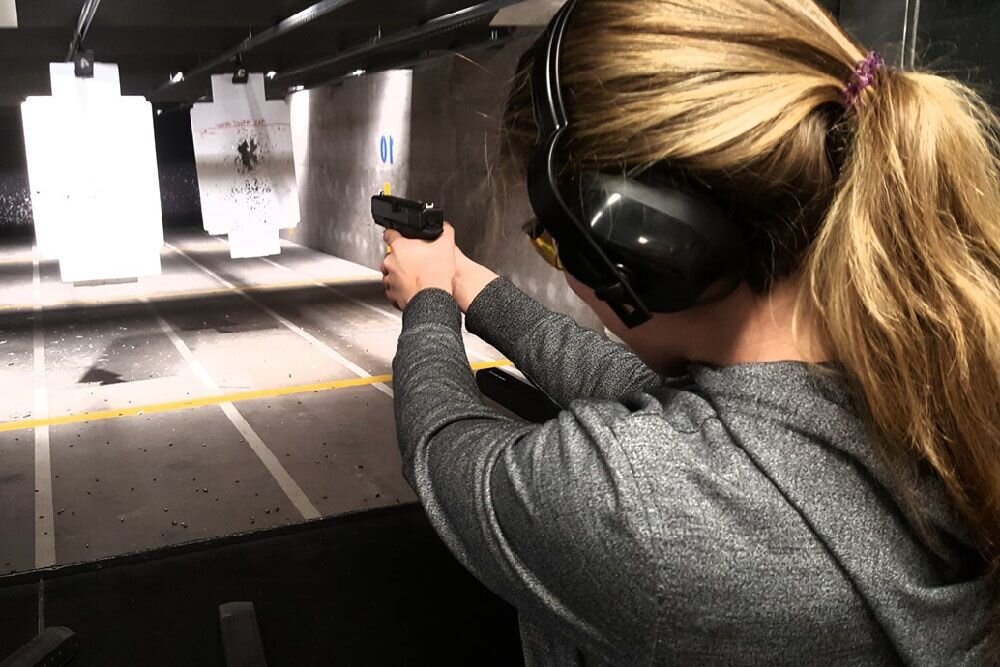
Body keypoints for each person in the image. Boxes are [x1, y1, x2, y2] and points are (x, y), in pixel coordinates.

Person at [379, 0, 999, 663]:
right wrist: (461, 280)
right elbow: (636, 389)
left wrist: (426, 303)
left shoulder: (643, 510)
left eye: (559, 246)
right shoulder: (928, 364)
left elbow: (442, 446)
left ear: (639, 254)